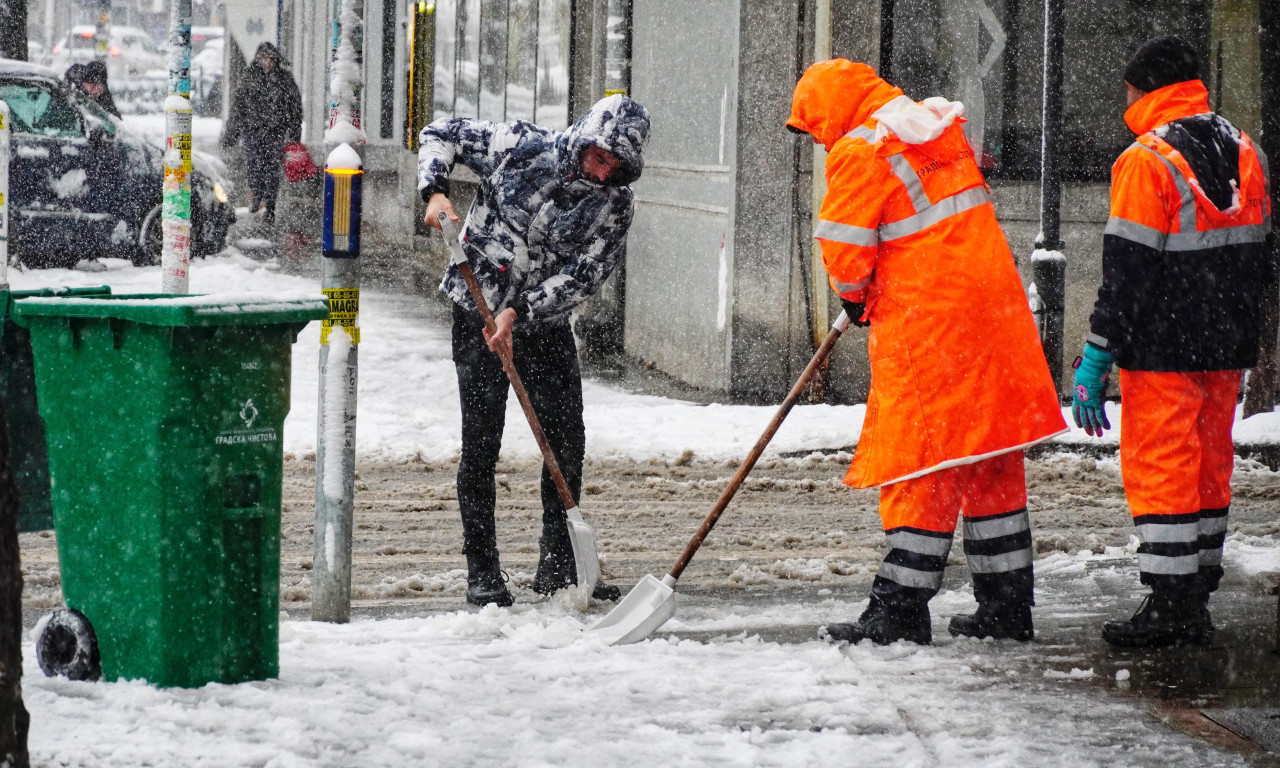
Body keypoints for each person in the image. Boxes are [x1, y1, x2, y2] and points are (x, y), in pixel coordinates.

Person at [786, 59, 1067, 645]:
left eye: (816, 128)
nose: (820, 140)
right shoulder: (938, 129)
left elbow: (845, 247)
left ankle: (899, 610)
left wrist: (855, 298)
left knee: (922, 460)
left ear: (831, 111)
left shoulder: (861, 150)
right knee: (991, 457)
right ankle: (1007, 607)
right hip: (995, 314)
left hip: (932, 324)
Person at [1073, 36, 1273, 648]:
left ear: (1146, 91)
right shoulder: (1245, 149)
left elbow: (1127, 270)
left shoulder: (1146, 160)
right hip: (1226, 345)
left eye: (1130, 92)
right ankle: (1196, 595)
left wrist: (1098, 351)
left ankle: (1170, 603)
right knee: (1210, 467)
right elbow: (1261, 252)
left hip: (1163, 346)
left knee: (1163, 468)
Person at [418, 94, 650, 607]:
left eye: (616, 163)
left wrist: (520, 310)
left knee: (565, 441)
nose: (602, 168)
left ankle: (559, 568)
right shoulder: (521, 147)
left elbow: (584, 275)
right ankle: (483, 572)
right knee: (481, 442)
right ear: (585, 135)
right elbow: (439, 133)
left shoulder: (614, 205)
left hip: (541, 326)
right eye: (598, 153)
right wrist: (433, 191)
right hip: (477, 312)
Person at [224, 42, 301, 224]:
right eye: (264, 58)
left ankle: (270, 205)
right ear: (259, 60)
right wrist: (231, 133)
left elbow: (295, 108)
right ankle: (257, 198)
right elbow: (238, 107)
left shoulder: (284, 79)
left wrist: (295, 133)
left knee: (272, 169)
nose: (267, 62)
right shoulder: (249, 77)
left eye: (270, 59)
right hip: (253, 132)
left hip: (275, 132)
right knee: (254, 167)